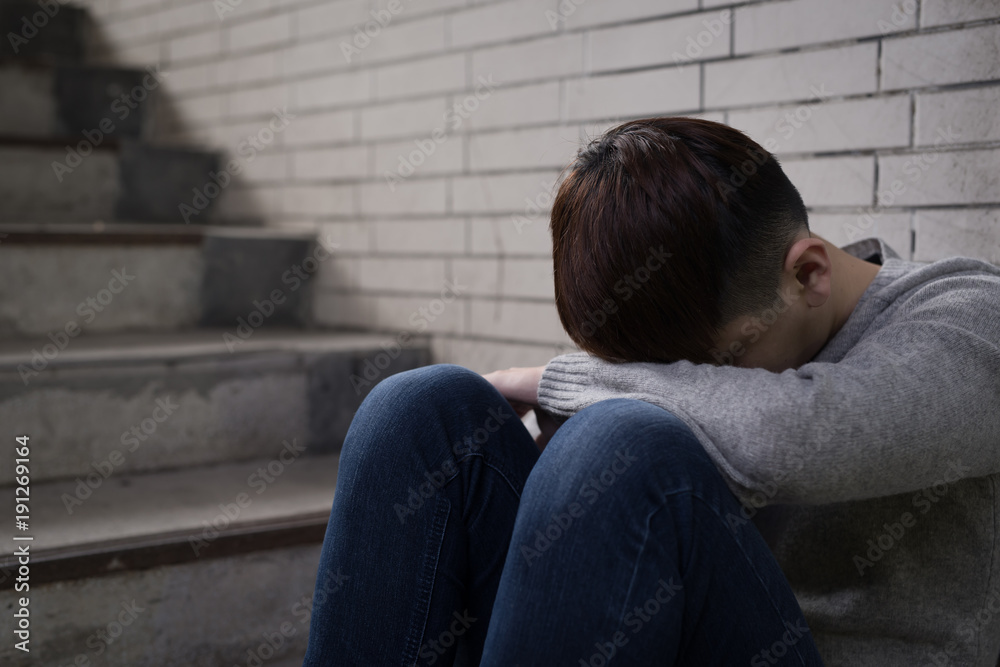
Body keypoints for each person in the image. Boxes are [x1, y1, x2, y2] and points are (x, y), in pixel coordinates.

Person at [301, 117, 1000, 666]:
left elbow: (794, 439)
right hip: (666, 630)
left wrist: (562, 380)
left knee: (623, 441)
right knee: (420, 410)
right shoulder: (762, 313)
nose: (691, 389)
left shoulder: (969, 317)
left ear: (810, 274)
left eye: (714, 366)